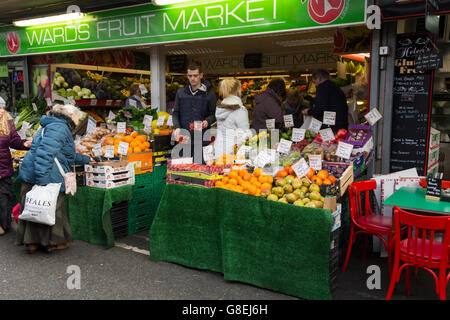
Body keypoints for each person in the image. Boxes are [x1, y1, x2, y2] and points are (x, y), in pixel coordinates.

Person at [16, 104, 92, 253]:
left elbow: (63, 154)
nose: (78, 120)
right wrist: (42, 179)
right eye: (77, 116)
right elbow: (45, 153)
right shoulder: (59, 128)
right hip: (46, 172)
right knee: (50, 207)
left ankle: (32, 242)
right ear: (71, 116)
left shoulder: (53, 125)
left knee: (35, 206)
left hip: (36, 170)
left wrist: (86, 159)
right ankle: (52, 242)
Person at [172, 63, 217, 163]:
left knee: (200, 168)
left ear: (201, 75)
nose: (192, 78)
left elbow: (214, 114)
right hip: (184, 137)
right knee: (184, 169)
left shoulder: (209, 94)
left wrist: (207, 121)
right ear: (187, 76)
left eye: (195, 76)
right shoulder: (181, 93)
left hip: (202, 138)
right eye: (190, 76)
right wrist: (177, 127)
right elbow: (176, 112)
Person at [0, 98, 31, 236]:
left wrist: (24, 144)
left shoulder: (7, 121)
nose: (1, 111)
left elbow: (14, 141)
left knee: (4, 197)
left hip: (4, 167)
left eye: (2, 108)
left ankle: (4, 225)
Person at [302, 69, 349, 133]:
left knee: (329, 142)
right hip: (342, 126)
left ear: (319, 78)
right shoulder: (336, 87)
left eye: (315, 82)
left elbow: (320, 108)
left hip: (330, 128)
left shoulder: (321, 87)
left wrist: (308, 111)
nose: (315, 86)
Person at [214, 78, 250, 158]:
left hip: (218, 150)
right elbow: (245, 134)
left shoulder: (220, 108)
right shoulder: (240, 110)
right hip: (233, 153)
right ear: (238, 90)